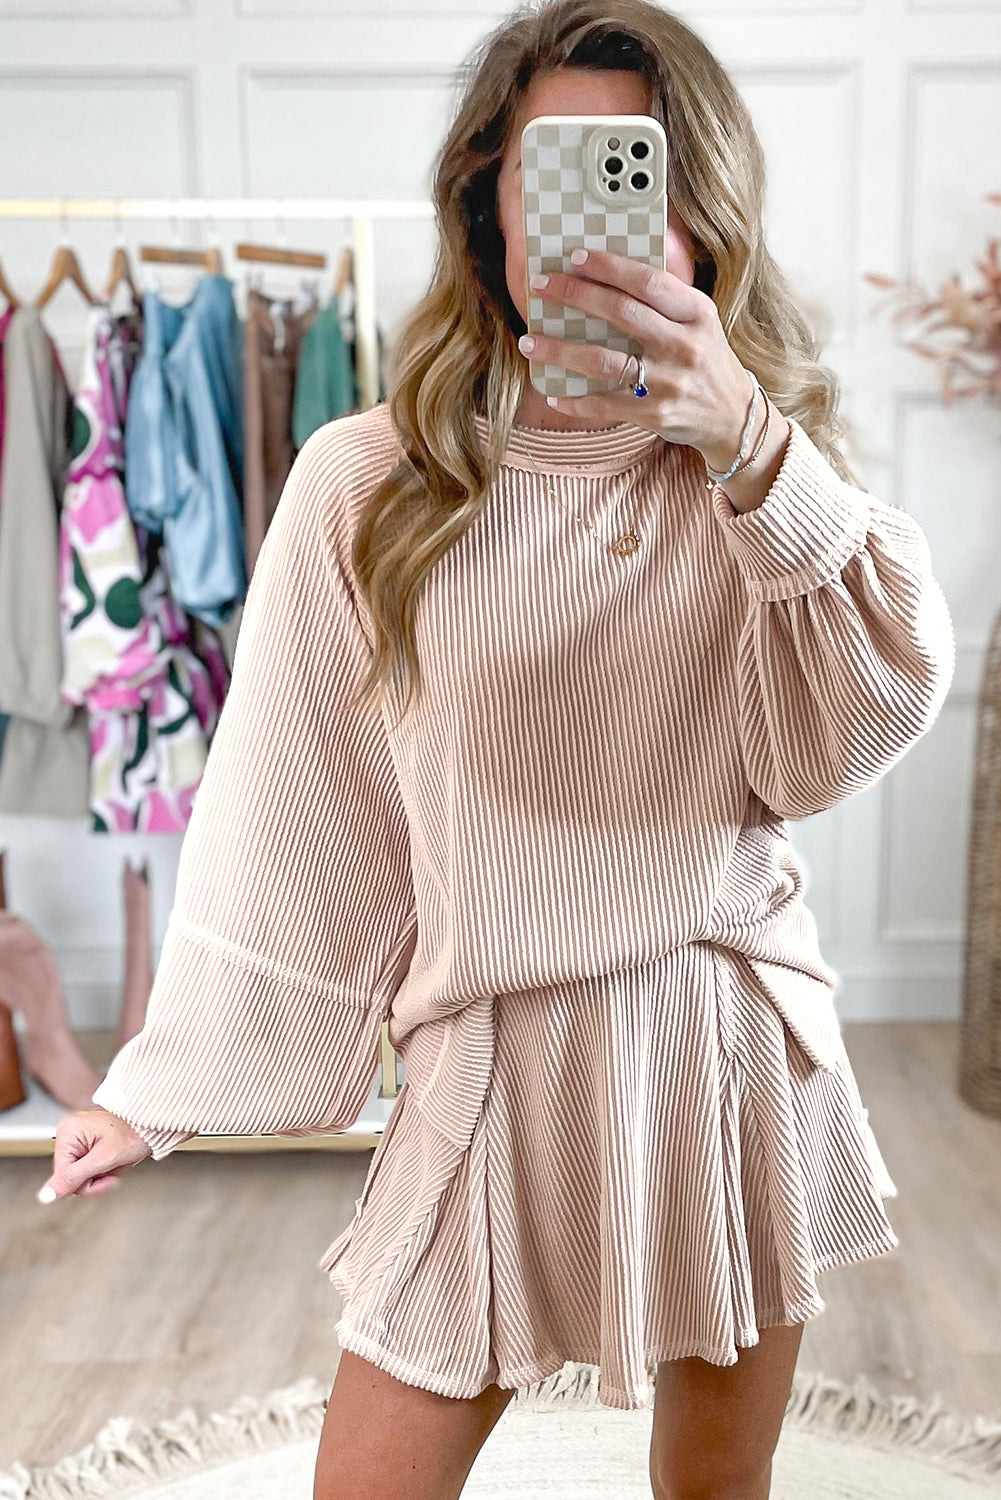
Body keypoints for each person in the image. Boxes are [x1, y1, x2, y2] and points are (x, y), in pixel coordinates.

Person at [36, 3, 956, 1497]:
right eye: (551, 177)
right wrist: (161, 1084)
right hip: (487, 1063)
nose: (594, 230)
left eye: (635, 179)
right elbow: (296, 809)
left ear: (705, 218)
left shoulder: (767, 476)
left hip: (718, 1048)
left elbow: (841, 736)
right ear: (490, 212)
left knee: (712, 1496)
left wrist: (748, 453)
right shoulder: (373, 480)